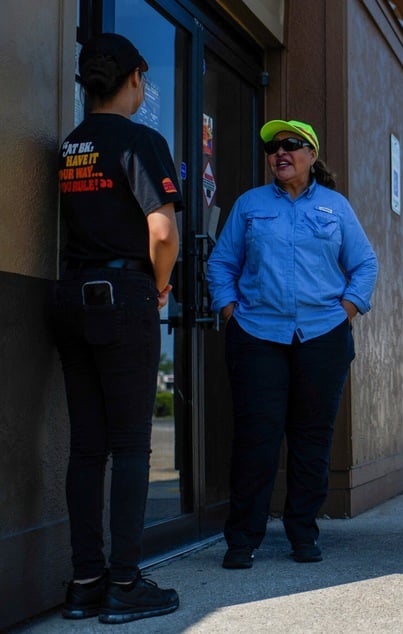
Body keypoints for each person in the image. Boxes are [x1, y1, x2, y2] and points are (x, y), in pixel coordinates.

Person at [207, 118, 378, 570]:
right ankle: (243, 539)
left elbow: (365, 264)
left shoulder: (336, 207)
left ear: (311, 155)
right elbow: (221, 264)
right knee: (256, 440)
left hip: (322, 337)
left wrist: (345, 311)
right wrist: (231, 313)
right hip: (257, 336)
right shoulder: (250, 205)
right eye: (273, 147)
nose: (280, 152)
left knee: (311, 441)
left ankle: (303, 532)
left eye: (291, 145)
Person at [52, 33, 181, 622]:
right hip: (122, 294)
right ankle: (125, 583)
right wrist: (158, 286)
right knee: (131, 446)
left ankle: (85, 582)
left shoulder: (70, 146)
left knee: (87, 448)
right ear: (137, 76)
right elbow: (162, 232)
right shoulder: (139, 140)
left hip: (69, 297)